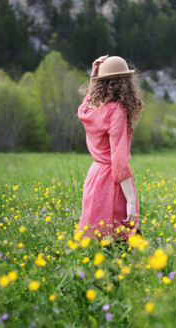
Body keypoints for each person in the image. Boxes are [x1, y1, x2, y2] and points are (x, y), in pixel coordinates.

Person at [75, 55, 144, 250]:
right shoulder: (116, 111)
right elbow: (119, 161)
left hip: (94, 177)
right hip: (112, 181)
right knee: (123, 235)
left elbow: (84, 103)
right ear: (125, 83)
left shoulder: (89, 109)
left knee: (97, 236)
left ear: (100, 84)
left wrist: (93, 77)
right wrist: (131, 200)